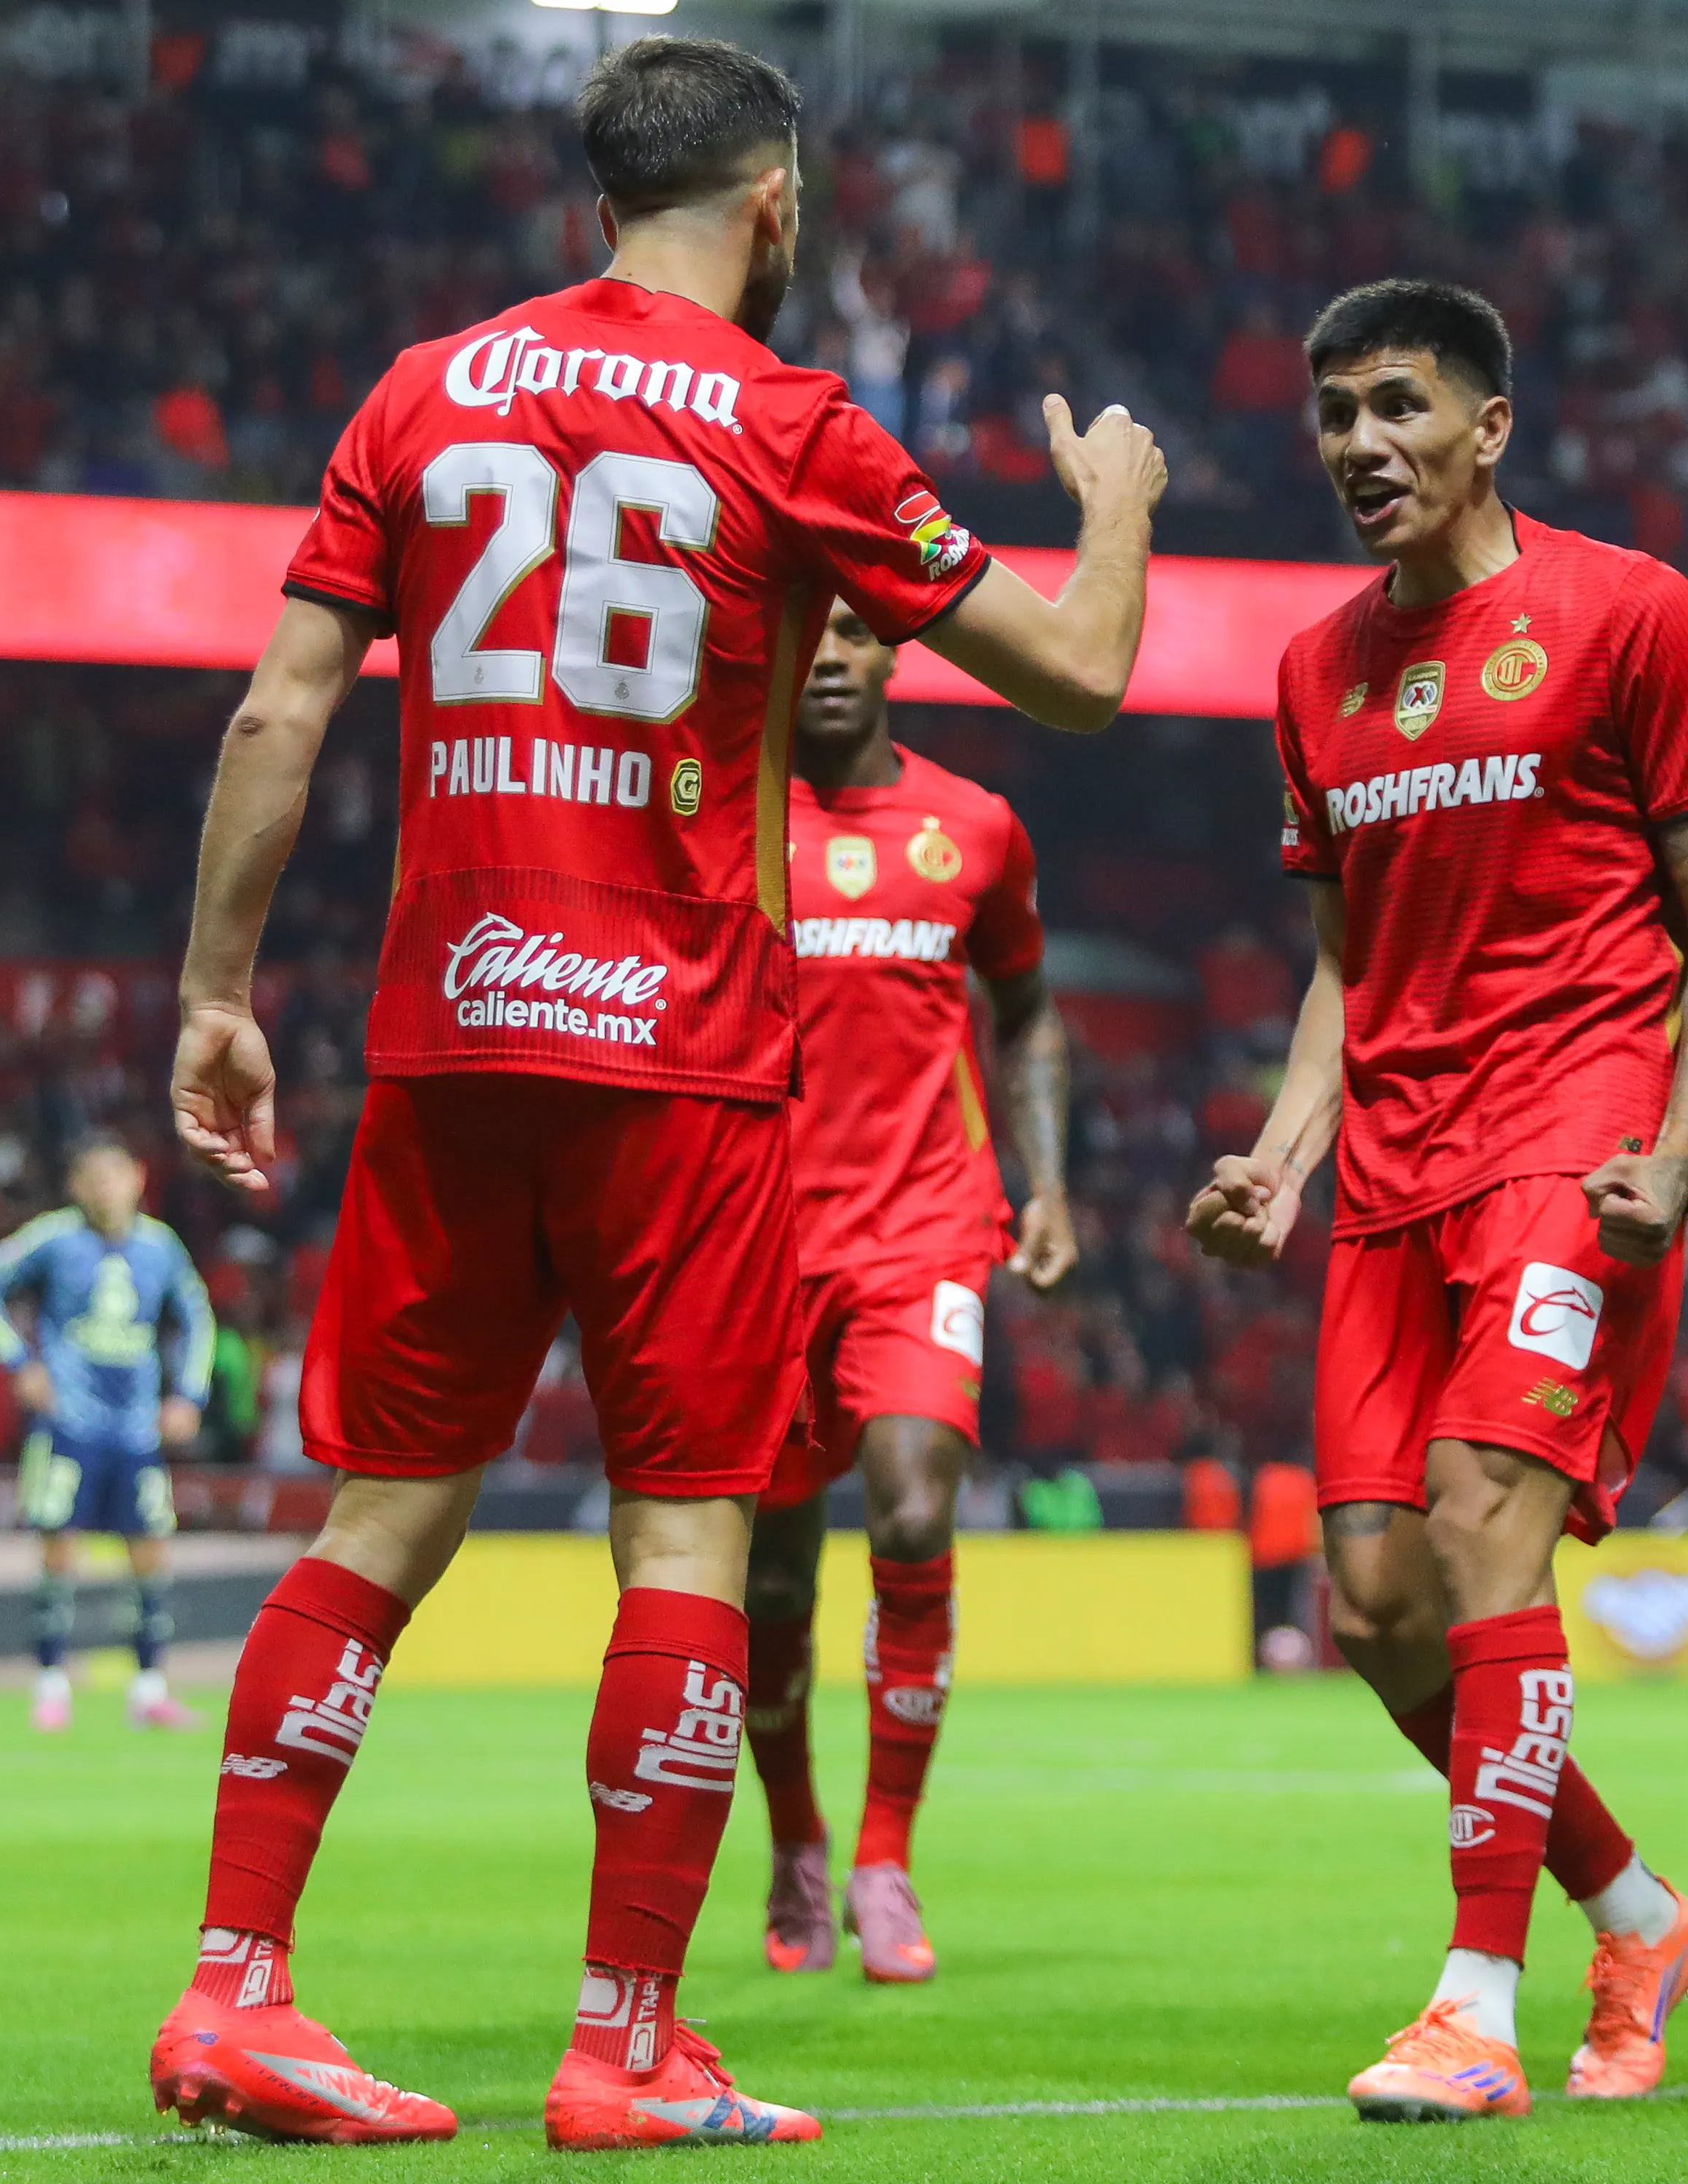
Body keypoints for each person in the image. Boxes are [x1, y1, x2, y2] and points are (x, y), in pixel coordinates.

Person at [149, 35, 1162, 2151]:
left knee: (383, 1514)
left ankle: (235, 1989)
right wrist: (1121, 514)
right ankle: (623, 2041)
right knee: (687, 1527)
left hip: (451, 1029)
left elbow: (274, 715)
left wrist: (216, 996)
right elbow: (1079, 674)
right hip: (679, 1055)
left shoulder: (418, 393)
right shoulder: (792, 419)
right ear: (773, 202)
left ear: (595, 198)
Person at [1186, 279, 1688, 2124]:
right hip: (1390, 1166)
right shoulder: (1314, 670)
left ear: (1490, 426)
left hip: (1569, 1133)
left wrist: (1678, 1141)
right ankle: (1641, 1916)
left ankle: (1472, 2006)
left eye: (1399, 405)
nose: (1362, 444)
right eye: (1335, 415)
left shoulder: (1628, 611)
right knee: (1375, 1606)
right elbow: (1344, 964)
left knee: (1481, 1519)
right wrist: (1281, 1155)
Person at [744, 600, 1077, 1986]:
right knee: (769, 1584)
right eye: (804, 632)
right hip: (755, 1248)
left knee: (914, 1511)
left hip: (925, 1232)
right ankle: (796, 1835)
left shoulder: (975, 827)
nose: (827, 656)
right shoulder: (723, 817)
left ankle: (883, 1854)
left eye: (852, 631)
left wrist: (1044, 1183)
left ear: (894, 651)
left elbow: (1028, 1008)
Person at [0, 1138, 214, 1733]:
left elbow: (197, 1316)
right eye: (93, 1178)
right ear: (75, 1187)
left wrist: (189, 1394)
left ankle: (148, 1690)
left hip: (137, 1427)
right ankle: (50, 1686)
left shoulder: (160, 1246)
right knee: (59, 1547)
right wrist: (18, 1361)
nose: (105, 1188)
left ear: (137, 1180)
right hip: (69, 1421)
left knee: (149, 1550)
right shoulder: (54, 1237)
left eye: (114, 1176)